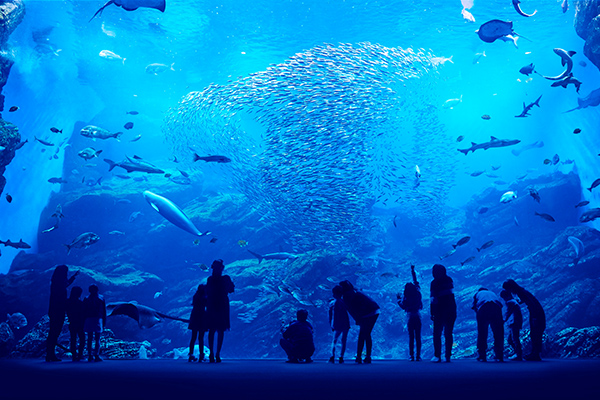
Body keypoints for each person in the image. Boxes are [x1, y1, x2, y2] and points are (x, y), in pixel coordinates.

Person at [502, 279, 545, 361]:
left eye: (508, 289)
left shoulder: (521, 292)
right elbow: (528, 301)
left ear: (511, 287)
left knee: (535, 333)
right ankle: (535, 353)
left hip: (536, 313)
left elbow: (532, 304)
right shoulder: (522, 292)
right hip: (536, 312)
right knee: (534, 333)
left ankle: (536, 354)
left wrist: (534, 317)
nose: (509, 292)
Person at [339, 280, 380, 364]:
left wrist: (357, 319)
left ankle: (361, 357)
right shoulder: (354, 291)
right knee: (365, 334)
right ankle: (365, 356)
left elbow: (351, 309)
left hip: (368, 313)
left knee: (364, 334)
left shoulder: (347, 295)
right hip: (374, 310)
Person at [46, 265, 79, 362]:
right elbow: (65, 286)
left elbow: (66, 284)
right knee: (54, 332)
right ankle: (50, 354)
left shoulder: (55, 282)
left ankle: (50, 354)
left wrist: (73, 277)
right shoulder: (59, 284)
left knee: (53, 332)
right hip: (58, 310)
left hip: (54, 310)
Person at [206, 259, 235, 363]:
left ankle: (212, 354)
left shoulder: (210, 279)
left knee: (212, 330)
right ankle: (217, 353)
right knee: (220, 330)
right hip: (221, 303)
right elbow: (231, 289)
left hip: (212, 304)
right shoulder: (225, 279)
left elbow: (207, 292)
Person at [430, 264, 456, 363]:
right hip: (451, 309)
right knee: (448, 333)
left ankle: (437, 355)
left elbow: (433, 299)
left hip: (439, 310)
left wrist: (432, 312)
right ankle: (448, 356)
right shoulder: (449, 279)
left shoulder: (434, 283)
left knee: (437, 333)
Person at [397, 265, 423, 361]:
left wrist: (398, 300)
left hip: (410, 317)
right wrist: (412, 271)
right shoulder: (417, 293)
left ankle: (411, 356)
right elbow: (416, 281)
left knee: (411, 336)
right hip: (418, 316)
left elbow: (403, 307)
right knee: (418, 336)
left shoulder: (406, 298)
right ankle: (418, 356)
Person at [472, 288, 504, 362]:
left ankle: (482, 355)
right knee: (498, 332)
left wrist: (480, 319)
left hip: (483, 307)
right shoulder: (492, 292)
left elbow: (474, 307)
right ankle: (499, 354)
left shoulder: (477, 294)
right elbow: (500, 305)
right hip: (496, 307)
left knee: (482, 333)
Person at [83, 284, 106, 362]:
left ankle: (90, 355)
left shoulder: (86, 299)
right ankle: (96, 355)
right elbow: (104, 311)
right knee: (97, 338)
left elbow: (83, 310)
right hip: (97, 319)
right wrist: (104, 321)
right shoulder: (101, 298)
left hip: (89, 319)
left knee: (90, 338)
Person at [328, 285, 350, 363]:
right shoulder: (344, 302)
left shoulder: (331, 303)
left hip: (336, 324)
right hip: (345, 323)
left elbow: (330, 316)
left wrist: (331, 324)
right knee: (344, 340)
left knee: (334, 340)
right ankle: (341, 357)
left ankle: (332, 356)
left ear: (333, 294)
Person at [500, 289, 523, 361]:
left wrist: (503, 320)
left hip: (514, 322)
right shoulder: (515, 301)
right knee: (510, 339)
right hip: (516, 322)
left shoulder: (510, 302)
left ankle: (519, 355)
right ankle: (517, 353)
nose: (504, 299)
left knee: (515, 339)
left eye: (503, 297)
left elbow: (508, 312)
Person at [188, 284, 207, 362]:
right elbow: (206, 304)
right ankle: (201, 354)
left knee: (193, 337)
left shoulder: (195, 296)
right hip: (202, 316)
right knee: (201, 338)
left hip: (195, 316)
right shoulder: (204, 297)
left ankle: (191, 354)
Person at [66, 286, 85, 362]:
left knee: (73, 339)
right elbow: (83, 313)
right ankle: (80, 354)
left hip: (72, 322)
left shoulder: (67, 302)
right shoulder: (80, 303)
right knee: (82, 339)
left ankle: (74, 355)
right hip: (80, 323)